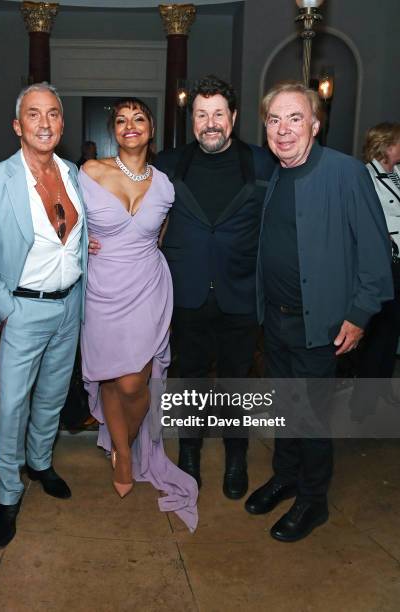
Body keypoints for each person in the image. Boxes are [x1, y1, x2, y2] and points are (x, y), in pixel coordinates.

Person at [246, 81, 393, 542]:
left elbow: (374, 254)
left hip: (321, 324)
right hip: (276, 319)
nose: (283, 129)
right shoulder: (273, 172)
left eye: (294, 118)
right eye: (274, 119)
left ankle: (313, 500)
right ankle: (287, 476)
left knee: (310, 415)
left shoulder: (346, 173)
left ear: (314, 123)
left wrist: (359, 314)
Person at [79, 97, 198, 531]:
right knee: (114, 374)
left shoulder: (165, 185)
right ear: (115, 129)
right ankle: (124, 455)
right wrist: (81, 244)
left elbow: (160, 237)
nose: (131, 126)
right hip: (102, 288)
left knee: (138, 379)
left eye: (140, 118)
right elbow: (67, 225)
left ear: (151, 128)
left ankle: (122, 442)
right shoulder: (89, 172)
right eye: (122, 120)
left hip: (148, 285)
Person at [154, 75, 275, 497]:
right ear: (192, 120)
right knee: (188, 379)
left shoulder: (262, 163)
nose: (210, 123)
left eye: (218, 114)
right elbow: (139, 214)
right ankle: (188, 454)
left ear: (234, 117)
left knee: (236, 381)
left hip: (240, 295)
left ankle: (236, 457)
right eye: (202, 114)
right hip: (186, 294)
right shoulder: (168, 165)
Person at [0, 82, 88, 548]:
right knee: (12, 406)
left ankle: (40, 463)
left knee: (51, 396)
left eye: (52, 115)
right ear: (17, 125)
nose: (44, 123)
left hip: (69, 305)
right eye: (33, 115)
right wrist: (6, 309)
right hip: (23, 308)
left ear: (62, 124)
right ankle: (8, 495)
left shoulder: (74, 173)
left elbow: (82, 236)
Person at [353, 123, 400, 401]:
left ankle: (382, 387)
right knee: (378, 332)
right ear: (387, 144)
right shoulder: (365, 177)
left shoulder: (398, 173)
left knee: (393, 329)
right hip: (386, 264)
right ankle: (364, 399)